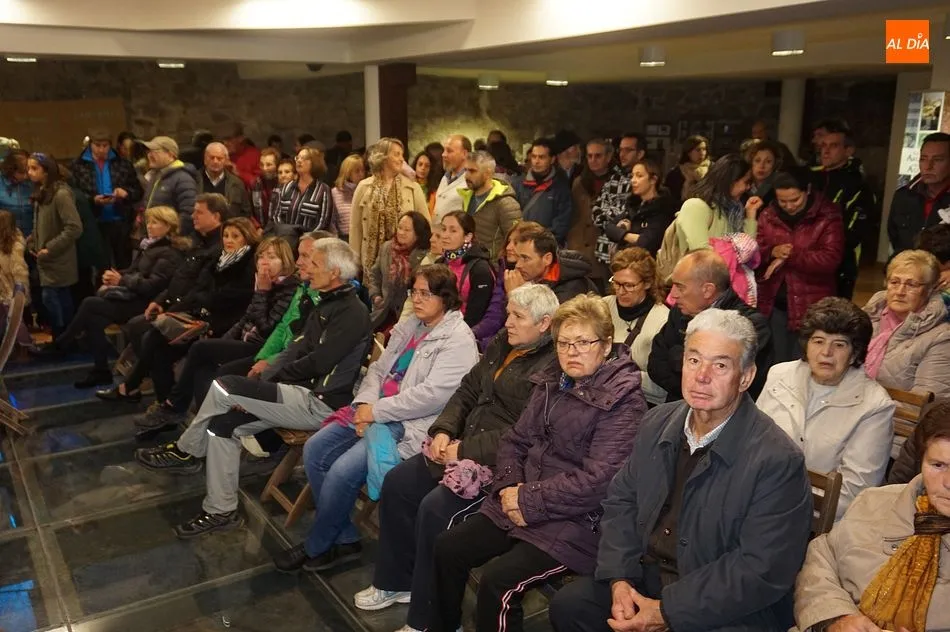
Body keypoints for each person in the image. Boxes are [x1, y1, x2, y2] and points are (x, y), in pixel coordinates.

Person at [551, 308, 813, 632]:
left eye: (720, 365)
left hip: (724, 605)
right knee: (571, 606)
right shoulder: (656, 421)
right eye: (694, 360)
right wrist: (620, 579)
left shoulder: (777, 460)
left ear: (745, 377)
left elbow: (761, 569)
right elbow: (622, 501)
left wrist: (667, 611)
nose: (702, 376)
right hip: (646, 577)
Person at [429, 294, 648, 632]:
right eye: (564, 343)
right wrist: (509, 489)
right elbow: (514, 440)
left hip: (578, 519)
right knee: (448, 548)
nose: (571, 352)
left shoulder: (623, 402)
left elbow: (598, 480)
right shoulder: (550, 382)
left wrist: (527, 499)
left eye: (583, 342)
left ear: (606, 346)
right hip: (521, 498)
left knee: (498, 583)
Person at [354, 283, 558, 631]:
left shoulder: (551, 368)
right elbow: (467, 390)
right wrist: (445, 429)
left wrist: (464, 449)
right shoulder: (502, 345)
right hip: (462, 444)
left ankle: (429, 620)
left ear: (544, 324)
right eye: (508, 313)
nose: (507, 322)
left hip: (499, 464)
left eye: (518, 317)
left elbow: (525, 433)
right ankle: (397, 582)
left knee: (436, 509)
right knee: (399, 483)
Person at [133, 238, 371, 537]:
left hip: (319, 402)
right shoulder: (326, 302)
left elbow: (319, 363)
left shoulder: (352, 312)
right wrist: (267, 381)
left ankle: (187, 451)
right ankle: (221, 511)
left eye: (315, 262)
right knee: (223, 424)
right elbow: (299, 348)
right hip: (298, 391)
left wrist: (269, 380)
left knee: (225, 385)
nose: (307, 266)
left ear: (335, 272)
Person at [271, 263, 479, 569]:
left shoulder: (458, 340)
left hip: (408, 424)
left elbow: (433, 396)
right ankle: (343, 538)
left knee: (342, 470)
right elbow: (379, 370)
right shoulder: (411, 325)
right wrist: (367, 403)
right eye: (414, 292)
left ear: (446, 299)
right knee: (316, 449)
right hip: (373, 410)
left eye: (426, 294)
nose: (417, 299)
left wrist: (376, 412)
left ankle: (317, 545)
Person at [792, 410, 950, 632]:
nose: (948, 482)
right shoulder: (874, 501)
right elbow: (822, 558)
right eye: (938, 465)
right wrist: (837, 618)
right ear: (921, 462)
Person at [133, 236, 299, 431]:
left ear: (285, 261)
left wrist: (262, 292)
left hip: (260, 346)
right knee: (200, 363)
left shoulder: (288, 288)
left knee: (202, 350)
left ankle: (175, 408)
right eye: (261, 256)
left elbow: (267, 328)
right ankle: (197, 423)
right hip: (243, 339)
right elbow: (245, 319)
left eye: (271, 257)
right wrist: (222, 343)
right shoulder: (264, 282)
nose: (264, 261)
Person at [757, 297, 894, 519]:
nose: (826, 352)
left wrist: (779, 505)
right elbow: (751, 443)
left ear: (855, 353)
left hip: (818, 520)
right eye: (818, 341)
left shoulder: (875, 407)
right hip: (760, 500)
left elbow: (853, 493)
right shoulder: (779, 375)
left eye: (839, 344)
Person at [99, 216, 257, 407]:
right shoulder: (217, 259)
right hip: (197, 316)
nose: (229, 240)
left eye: (235, 236)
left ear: (246, 239)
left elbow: (223, 298)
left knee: (153, 337)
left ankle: (144, 393)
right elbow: (195, 288)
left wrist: (181, 308)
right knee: (156, 344)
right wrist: (170, 309)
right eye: (226, 235)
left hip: (220, 324)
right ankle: (163, 403)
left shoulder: (248, 267)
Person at [50, 206, 188, 387]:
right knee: (94, 319)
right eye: (149, 222)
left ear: (168, 226)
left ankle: (62, 343)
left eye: (155, 222)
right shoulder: (149, 246)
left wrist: (121, 280)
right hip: (133, 296)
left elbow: (152, 286)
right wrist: (114, 277)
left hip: (146, 303)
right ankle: (99, 369)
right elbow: (133, 272)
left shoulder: (169, 253)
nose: (150, 226)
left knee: (90, 304)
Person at [649, 250, 772, 401]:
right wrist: (696, 392)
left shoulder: (751, 326)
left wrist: (676, 357)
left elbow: (740, 388)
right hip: (679, 411)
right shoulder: (679, 312)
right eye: (693, 360)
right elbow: (655, 365)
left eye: (680, 287)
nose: (673, 294)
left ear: (707, 290)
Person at [756, 168, 845, 362]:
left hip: (812, 304)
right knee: (776, 364)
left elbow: (831, 259)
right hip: (774, 304)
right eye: (782, 201)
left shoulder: (827, 216)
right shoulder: (768, 215)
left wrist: (792, 254)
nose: (788, 206)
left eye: (794, 200)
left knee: (807, 362)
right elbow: (756, 253)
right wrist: (771, 252)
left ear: (808, 191)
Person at [863, 249, 950, 397]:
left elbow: (924, 407)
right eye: (894, 282)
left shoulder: (941, 338)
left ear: (929, 290)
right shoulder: (866, 318)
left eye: (912, 285)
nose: (900, 291)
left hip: (893, 418)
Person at [810, 120, 876, 299]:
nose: (825, 150)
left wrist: (823, 247)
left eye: (833, 146)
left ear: (848, 151)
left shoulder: (858, 186)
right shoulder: (811, 177)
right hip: (805, 259)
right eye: (823, 145)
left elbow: (855, 232)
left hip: (840, 264)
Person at [349, 138, 428, 273]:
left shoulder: (412, 187)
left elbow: (426, 226)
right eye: (396, 154)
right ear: (383, 156)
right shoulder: (364, 187)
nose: (401, 159)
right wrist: (354, 261)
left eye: (402, 155)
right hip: (370, 262)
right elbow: (355, 227)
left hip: (406, 263)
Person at [604, 247, 670, 406]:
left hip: (642, 403)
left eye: (629, 285)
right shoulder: (603, 306)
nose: (620, 291)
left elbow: (662, 389)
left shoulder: (663, 320)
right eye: (616, 283)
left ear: (647, 283)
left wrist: (620, 375)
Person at [26, 153, 83, 337]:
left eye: (34, 168)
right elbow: (41, 224)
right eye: (28, 168)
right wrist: (33, 241)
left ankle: (62, 337)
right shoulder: (42, 192)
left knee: (52, 298)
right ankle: (64, 337)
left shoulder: (61, 194)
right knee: (60, 297)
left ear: (46, 170)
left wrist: (50, 247)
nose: (29, 173)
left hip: (58, 257)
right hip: (46, 258)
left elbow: (74, 227)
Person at [70, 129, 143, 269]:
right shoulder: (78, 166)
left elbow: (138, 191)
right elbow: (74, 193)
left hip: (120, 220)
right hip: (94, 221)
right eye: (98, 145)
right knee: (100, 265)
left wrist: (126, 193)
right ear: (90, 145)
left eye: (105, 146)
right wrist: (92, 199)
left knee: (124, 263)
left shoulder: (123, 164)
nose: (102, 149)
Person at [470, 221, 544, 350]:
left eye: (515, 243)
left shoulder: (537, 277)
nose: (509, 247)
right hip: (498, 340)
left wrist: (514, 294)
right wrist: (469, 335)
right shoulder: (506, 270)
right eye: (508, 241)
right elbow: (494, 315)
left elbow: (524, 326)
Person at [672, 154, 763, 254]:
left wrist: (750, 214)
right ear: (731, 180)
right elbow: (702, 256)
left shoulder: (733, 211)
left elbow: (747, 252)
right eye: (746, 182)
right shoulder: (696, 207)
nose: (748, 187)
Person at [889, 132, 950, 256]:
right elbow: (894, 237)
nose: (928, 166)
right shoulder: (903, 196)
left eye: (938, 160)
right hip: (907, 270)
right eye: (923, 159)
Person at [368, 211, 431, 331]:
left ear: (418, 233)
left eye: (407, 230)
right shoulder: (387, 247)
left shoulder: (425, 255)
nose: (401, 232)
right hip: (383, 310)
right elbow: (375, 274)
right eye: (400, 228)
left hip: (408, 314)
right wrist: (375, 295)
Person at [603, 158, 676, 258]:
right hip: (626, 261)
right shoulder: (633, 205)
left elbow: (646, 243)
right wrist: (633, 236)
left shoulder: (662, 209)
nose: (633, 180)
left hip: (648, 265)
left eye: (639, 176)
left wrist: (622, 234)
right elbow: (609, 229)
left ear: (653, 180)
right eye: (632, 176)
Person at [507, 226, 597, 304]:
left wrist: (516, 294)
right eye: (518, 257)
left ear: (547, 259)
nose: (518, 265)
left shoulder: (572, 288)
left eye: (525, 258)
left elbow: (545, 322)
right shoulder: (529, 277)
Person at [457, 150, 522, 260]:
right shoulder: (466, 197)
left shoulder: (506, 203)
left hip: (493, 268)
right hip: (470, 264)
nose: (466, 175)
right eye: (466, 170)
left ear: (487, 173)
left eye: (472, 171)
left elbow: (518, 242)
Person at [437, 211, 494, 329]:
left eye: (453, 231)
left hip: (464, 334)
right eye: (443, 229)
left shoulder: (480, 269)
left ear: (468, 236)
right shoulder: (439, 263)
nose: (445, 235)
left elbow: (476, 316)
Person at [512, 137, 572, 245]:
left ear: (552, 159)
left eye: (542, 157)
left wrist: (541, 244)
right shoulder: (518, 184)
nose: (536, 161)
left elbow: (561, 224)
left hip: (545, 247)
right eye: (534, 157)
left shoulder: (560, 189)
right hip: (520, 244)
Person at [568, 139, 613, 273]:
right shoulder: (579, 182)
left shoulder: (617, 183)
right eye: (590, 156)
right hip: (578, 247)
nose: (593, 160)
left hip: (603, 249)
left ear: (608, 157)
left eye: (598, 156)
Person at [142, 136, 199, 235]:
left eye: (155, 151)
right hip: (155, 239)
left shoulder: (183, 178)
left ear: (170, 154)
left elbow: (188, 213)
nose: (149, 155)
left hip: (170, 242)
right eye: (148, 152)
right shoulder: (156, 176)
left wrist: (172, 235)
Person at [272, 146, 334, 232]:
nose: (299, 161)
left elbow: (323, 222)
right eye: (297, 158)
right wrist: (285, 232)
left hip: (311, 240)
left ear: (314, 163)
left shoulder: (323, 190)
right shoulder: (287, 187)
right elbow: (276, 216)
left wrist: (307, 238)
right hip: (286, 238)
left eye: (304, 158)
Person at [0, 210, 32, 353]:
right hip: (4, 289)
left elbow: (19, 270)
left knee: (14, 319)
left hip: (11, 290)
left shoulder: (15, 246)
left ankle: (25, 346)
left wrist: (19, 291)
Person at [196, 142, 251, 219]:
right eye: (212, 158)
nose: (215, 161)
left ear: (226, 161)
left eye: (219, 158)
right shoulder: (193, 181)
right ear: (205, 160)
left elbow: (246, 213)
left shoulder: (237, 184)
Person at [432, 135, 472, 223]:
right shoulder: (445, 177)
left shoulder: (471, 181)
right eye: (444, 150)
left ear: (464, 154)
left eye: (449, 151)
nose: (443, 154)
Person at [664, 135, 710, 203]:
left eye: (704, 149)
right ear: (688, 152)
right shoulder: (676, 173)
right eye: (698, 150)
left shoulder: (713, 169)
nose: (702, 153)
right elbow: (670, 198)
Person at [330, 154, 365, 243]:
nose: (361, 174)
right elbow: (332, 221)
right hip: (343, 238)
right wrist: (336, 240)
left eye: (362, 170)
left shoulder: (366, 190)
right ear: (347, 172)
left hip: (363, 238)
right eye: (357, 171)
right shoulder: (335, 192)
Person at [0, 149, 33, 237]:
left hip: (31, 238)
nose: (26, 176)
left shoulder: (32, 182)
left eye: (28, 171)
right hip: (7, 240)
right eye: (22, 172)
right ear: (10, 169)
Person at [249, 148, 281, 228]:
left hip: (278, 229)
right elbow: (249, 210)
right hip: (259, 229)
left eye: (269, 165)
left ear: (277, 166)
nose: (264, 168)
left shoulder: (283, 184)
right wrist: (257, 227)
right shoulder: (256, 183)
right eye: (261, 164)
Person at [223, 123, 261, 189]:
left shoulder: (255, 155)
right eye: (224, 139)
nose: (225, 143)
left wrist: (237, 172)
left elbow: (259, 184)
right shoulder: (222, 155)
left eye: (229, 139)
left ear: (240, 138)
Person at [747, 139, 782, 209]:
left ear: (775, 164)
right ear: (751, 162)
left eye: (768, 161)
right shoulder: (742, 186)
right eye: (757, 161)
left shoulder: (779, 188)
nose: (762, 166)